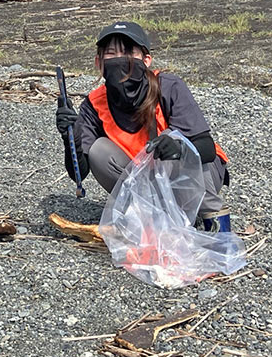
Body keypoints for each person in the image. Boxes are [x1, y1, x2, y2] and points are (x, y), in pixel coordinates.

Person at [55, 21, 231, 232]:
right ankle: (155, 217)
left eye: (129, 52)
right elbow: (78, 175)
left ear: (146, 60)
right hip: (146, 180)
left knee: (172, 136)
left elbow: (207, 148)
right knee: (99, 149)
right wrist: (70, 137)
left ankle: (215, 222)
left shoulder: (169, 86)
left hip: (196, 175)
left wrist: (180, 148)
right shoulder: (94, 104)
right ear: (98, 62)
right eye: (111, 53)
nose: (120, 60)